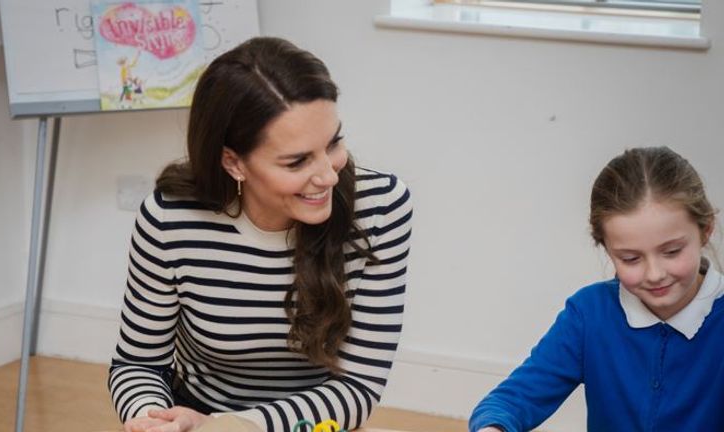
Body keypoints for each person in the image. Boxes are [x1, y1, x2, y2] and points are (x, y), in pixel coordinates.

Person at [108, 37, 413, 432]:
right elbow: (139, 363)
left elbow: (358, 386)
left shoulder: (381, 208)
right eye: (297, 161)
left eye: (333, 142)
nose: (329, 175)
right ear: (233, 162)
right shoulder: (170, 219)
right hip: (193, 420)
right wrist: (152, 418)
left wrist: (234, 426)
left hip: (317, 423)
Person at [470, 146, 723, 431]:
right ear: (606, 248)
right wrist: (494, 427)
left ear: (706, 230)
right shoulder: (590, 313)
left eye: (672, 251)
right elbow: (512, 400)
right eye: (631, 258)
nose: (654, 274)